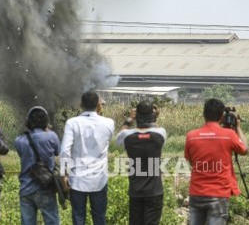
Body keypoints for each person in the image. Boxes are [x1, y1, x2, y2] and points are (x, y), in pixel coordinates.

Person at [185, 98, 248, 225]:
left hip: (197, 192)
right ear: (221, 116)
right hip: (219, 193)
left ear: (204, 114)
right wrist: (238, 127)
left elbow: (191, 162)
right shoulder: (229, 134)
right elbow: (245, 150)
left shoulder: (191, 136)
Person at [60, 91, 114, 225]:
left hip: (77, 179)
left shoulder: (72, 123)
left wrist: (63, 175)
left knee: (78, 219)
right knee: (99, 218)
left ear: (81, 104)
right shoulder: (109, 123)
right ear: (98, 104)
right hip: (99, 179)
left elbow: (65, 151)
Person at [116, 101, 167, 225]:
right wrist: (154, 116)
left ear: (136, 116)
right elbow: (156, 128)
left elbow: (119, 136)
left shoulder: (127, 136)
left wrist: (130, 118)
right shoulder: (160, 134)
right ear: (152, 117)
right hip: (154, 190)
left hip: (136, 190)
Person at [14, 106, 60, 225]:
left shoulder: (19, 141)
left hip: (25, 189)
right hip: (45, 188)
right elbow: (58, 152)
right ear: (45, 121)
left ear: (28, 122)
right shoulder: (52, 136)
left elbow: (21, 154)